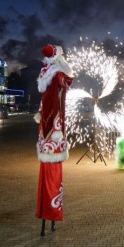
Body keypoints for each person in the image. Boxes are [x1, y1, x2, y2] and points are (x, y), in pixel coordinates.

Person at [34, 44, 74, 236]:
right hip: (54, 132)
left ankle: (46, 211)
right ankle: (52, 211)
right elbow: (69, 79)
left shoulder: (45, 74)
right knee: (54, 176)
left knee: (46, 176)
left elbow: (45, 101)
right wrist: (65, 66)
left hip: (45, 131)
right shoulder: (58, 74)